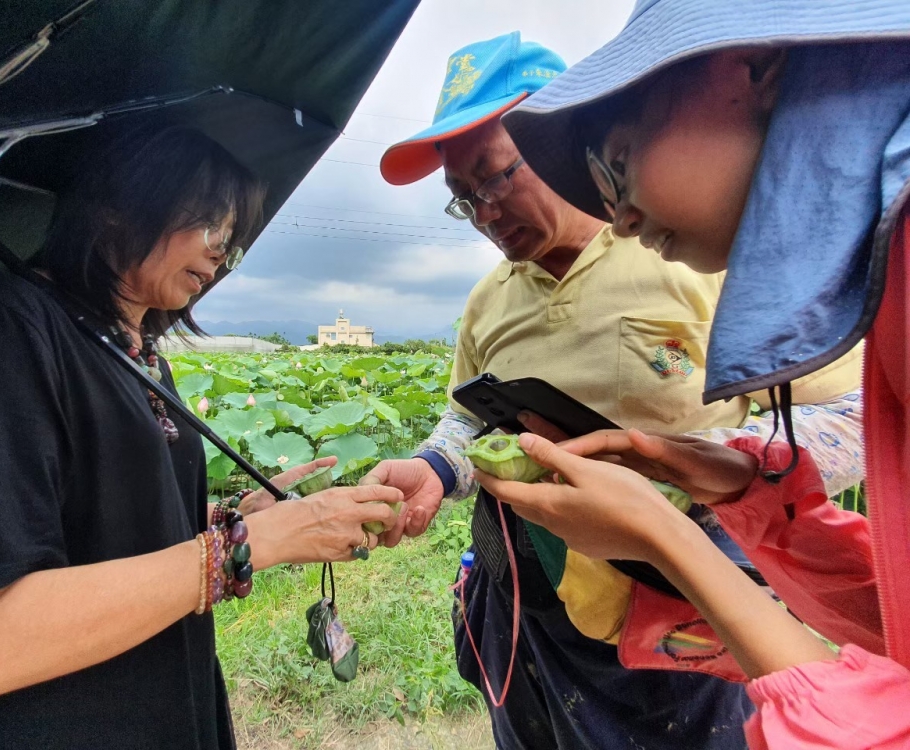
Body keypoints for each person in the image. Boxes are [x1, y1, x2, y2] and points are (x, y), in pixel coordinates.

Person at [367, 33, 863, 750]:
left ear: (563, 138)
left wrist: (684, 464)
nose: (485, 211)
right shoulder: (486, 304)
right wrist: (435, 469)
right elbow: (467, 420)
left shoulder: (690, 245)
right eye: (464, 198)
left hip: (692, 601)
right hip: (538, 606)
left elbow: (845, 417)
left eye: (498, 175)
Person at [485, 1, 910, 746]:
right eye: (465, 196)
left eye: (614, 163)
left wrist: (664, 534)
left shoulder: (878, 266)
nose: (619, 218)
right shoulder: (486, 301)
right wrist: (744, 487)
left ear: (754, 65)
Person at [0, 125, 402, 750]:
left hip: (170, 703)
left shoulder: (138, 355)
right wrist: (241, 551)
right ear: (119, 206)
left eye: (234, 241)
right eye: (211, 227)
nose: (223, 252)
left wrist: (232, 517)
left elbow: (91, 526)